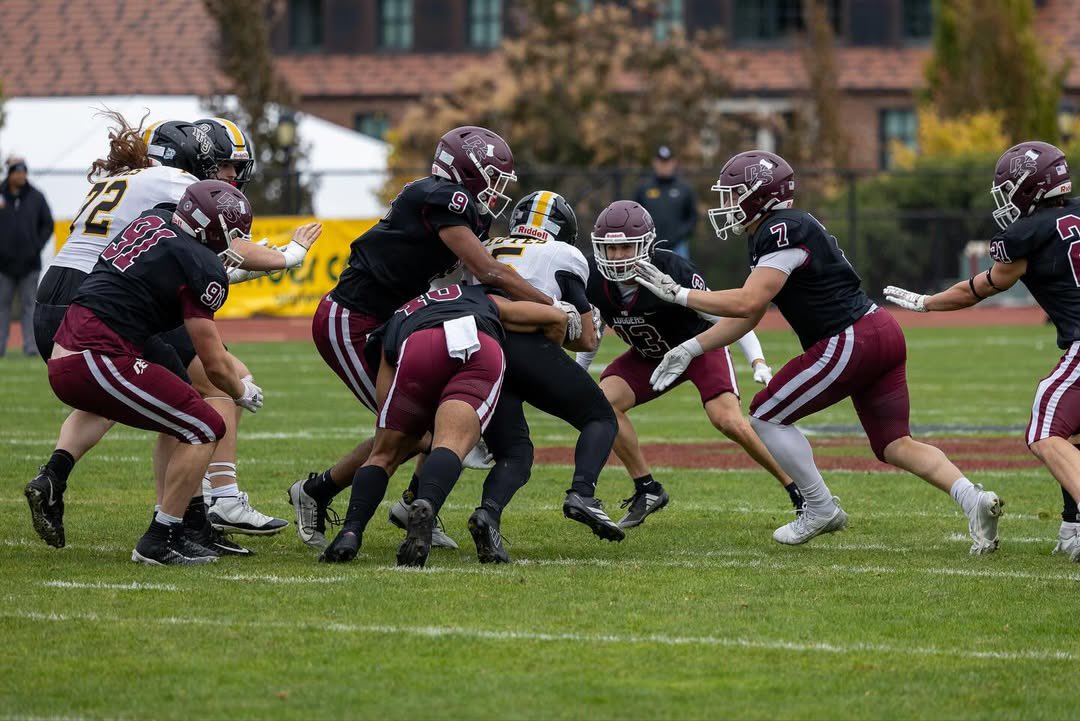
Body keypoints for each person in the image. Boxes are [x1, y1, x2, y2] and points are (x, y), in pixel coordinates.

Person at [634, 149, 1003, 553]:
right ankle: (974, 499)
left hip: (849, 337)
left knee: (766, 415)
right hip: (879, 330)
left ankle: (819, 506)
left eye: (734, 193)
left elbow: (746, 301)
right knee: (895, 444)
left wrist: (680, 294)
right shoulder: (783, 228)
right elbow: (751, 312)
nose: (727, 204)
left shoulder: (780, 229)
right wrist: (691, 347)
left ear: (761, 195)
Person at [25, 115, 311, 552]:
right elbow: (228, 242)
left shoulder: (128, 179)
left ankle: (54, 475)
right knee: (210, 385)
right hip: (103, 299)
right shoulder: (178, 184)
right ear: (195, 158)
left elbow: (175, 257)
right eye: (223, 165)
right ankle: (214, 504)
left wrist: (221, 274)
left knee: (115, 395)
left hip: (57, 296)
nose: (230, 177)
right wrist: (290, 255)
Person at [288, 125, 559, 550]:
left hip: (395, 321)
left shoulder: (456, 204)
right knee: (408, 429)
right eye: (493, 176)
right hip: (352, 318)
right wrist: (551, 308)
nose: (498, 189)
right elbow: (489, 271)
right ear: (468, 170)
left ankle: (413, 505)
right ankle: (316, 492)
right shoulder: (442, 196)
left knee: (433, 424)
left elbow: (482, 276)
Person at [44, 179, 263, 565]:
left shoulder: (153, 220)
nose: (235, 239)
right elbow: (212, 359)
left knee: (187, 412)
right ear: (214, 226)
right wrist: (241, 391)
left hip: (71, 349)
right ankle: (159, 539)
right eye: (233, 231)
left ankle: (189, 528)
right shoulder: (200, 263)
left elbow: (159, 274)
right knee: (206, 425)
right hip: (99, 354)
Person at [884, 140, 1080, 559]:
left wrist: (927, 302)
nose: (1007, 198)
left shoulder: (1027, 234)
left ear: (1031, 187)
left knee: (1045, 433)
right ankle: (1072, 528)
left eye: (1011, 187)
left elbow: (981, 288)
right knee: (1072, 432)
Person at [576, 199, 801, 528]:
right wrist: (578, 375)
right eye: (610, 249)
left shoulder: (673, 269)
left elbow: (730, 316)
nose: (618, 256)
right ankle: (647, 488)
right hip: (650, 357)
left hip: (698, 349)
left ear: (645, 245)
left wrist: (757, 359)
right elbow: (591, 335)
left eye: (626, 247)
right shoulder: (594, 279)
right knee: (602, 405)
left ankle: (797, 488)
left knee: (728, 421)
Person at [318, 283, 569, 567]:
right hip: (479, 345)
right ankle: (427, 504)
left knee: (383, 454)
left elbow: (385, 401)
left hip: (417, 346)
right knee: (451, 443)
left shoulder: (398, 315)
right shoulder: (478, 296)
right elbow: (557, 318)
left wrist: (402, 430)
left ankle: (350, 531)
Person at [457, 190, 622, 563]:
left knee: (515, 453)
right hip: (526, 346)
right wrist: (584, 323)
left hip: (479, 347)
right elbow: (585, 338)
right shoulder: (563, 254)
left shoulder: (488, 245)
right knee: (600, 418)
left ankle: (488, 515)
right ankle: (583, 493)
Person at [0, 157, 53, 357]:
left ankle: (31, 347)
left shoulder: (37, 197)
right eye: (18, 171)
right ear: (10, 173)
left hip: (30, 265)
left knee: (29, 306)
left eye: (24, 171)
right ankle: (0, 347)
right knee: (1, 308)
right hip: (3, 266)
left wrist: (36, 247)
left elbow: (48, 224)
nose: (22, 175)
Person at [634, 145, 697, 260]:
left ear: (674, 163)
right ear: (654, 163)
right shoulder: (644, 188)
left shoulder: (684, 188)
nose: (664, 166)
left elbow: (692, 217)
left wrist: (678, 236)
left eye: (667, 162)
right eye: (661, 162)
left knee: (680, 276)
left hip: (677, 246)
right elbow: (635, 216)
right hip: (648, 246)